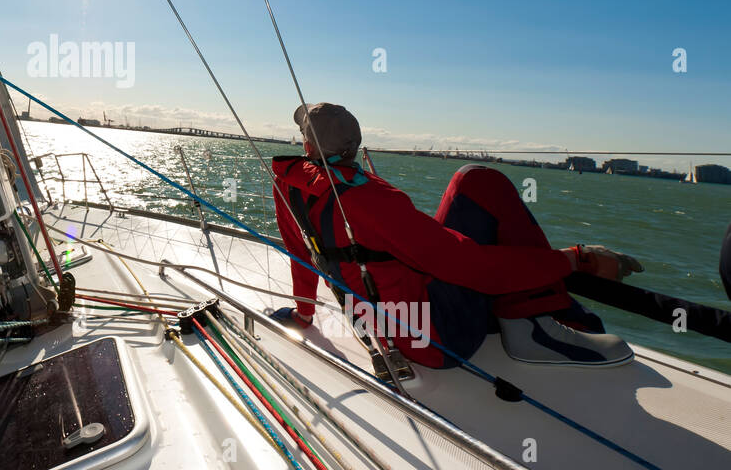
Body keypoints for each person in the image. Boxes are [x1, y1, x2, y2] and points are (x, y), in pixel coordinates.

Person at [270, 103, 640, 368]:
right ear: (356, 145)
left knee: (471, 180)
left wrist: (304, 316)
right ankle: (536, 329)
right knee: (482, 181)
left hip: (388, 325)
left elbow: (300, 256)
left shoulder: (288, 184)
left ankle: (539, 308)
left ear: (306, 148)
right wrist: (575, 258)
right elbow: (473, 268)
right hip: (434, 341)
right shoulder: (371, 199)